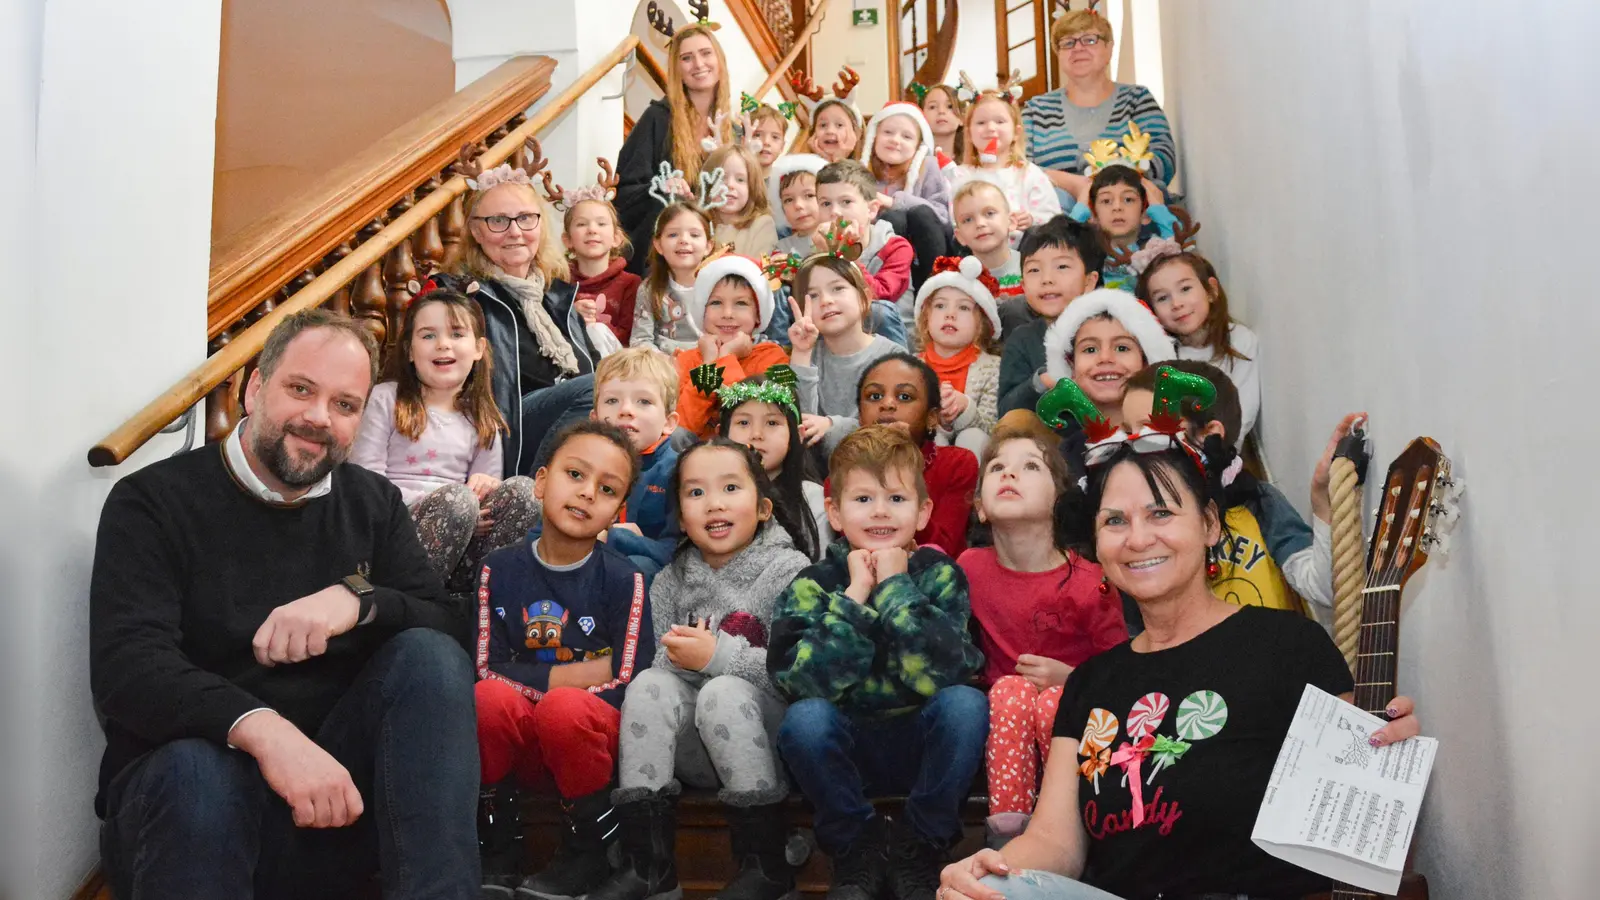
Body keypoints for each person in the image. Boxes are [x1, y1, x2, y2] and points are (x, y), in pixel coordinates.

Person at [938, 384, 1421, 900]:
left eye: (1162, 513)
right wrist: (988, 869)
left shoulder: (1290, 647)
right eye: (1115, 521)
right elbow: (1055, 843)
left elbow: (1359, 833)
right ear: (1096, 543)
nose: (1139, 538)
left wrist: (1387, 758)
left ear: (1210, 524)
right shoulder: (1090, 684)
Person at [91, 309, 479, 899]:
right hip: (186, 821)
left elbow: (450, 625)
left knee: (430, 657)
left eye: (345, 405)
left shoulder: (371, 503)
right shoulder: (152, 502)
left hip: (329, 813)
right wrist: (265, 732)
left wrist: (357, 600)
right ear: (253, 388)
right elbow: (127, 669)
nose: (319, 418)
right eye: (301, 389)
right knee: (199, 769)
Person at [769, 425, 987, 900]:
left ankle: (920, 844)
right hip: (846, 750)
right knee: (804, 720)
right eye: (863, 499)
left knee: (967, 705)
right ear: (835, 512)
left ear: (923, 511)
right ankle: (857, 846)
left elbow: (949, 672)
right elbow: (799, 684)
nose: (881, 511)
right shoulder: (812, 582)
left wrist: (895, 590)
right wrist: (855, 598)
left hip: (922, 747)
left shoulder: (939, 575)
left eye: (896, 498)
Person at [593, 439, 815, 900]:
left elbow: (799, 677)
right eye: (695, 493)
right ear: (679, 514)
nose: (714, 503)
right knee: (651, 683)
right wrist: (687, 663)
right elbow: (660, 669)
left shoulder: (791, 570)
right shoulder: (670, 581)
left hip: (769, 744)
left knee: (724, 693)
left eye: (731, 488)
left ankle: (766, 864)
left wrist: (717, 657)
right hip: (696, 753)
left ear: (763, 508)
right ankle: (649, 865)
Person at [474, 420, 654, 899]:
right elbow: (488, 668)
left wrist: (548, 688)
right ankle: (499, 837)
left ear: (618, 511)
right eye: (575, 474)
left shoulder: (624, 579)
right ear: (540, 481)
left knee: (565, 708)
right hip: (529, 745)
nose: (587, 493)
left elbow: (630, 680)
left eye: (607, 488)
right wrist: (573, 675)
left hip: (591, 746)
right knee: (487, 698)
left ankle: (591, 847)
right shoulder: (499, 569)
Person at [959, 429, 1126, 846]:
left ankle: (1073, 823)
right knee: (1010, 691)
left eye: (1030, 466)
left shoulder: (1091, 582)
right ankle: (1008, 832)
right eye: (997, 468)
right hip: (1004, 715)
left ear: (1059, 503)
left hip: (1081, 716)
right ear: (980, 507)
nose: (1009, 474)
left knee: (1053, 701)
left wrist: (1070, 677)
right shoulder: (968, 568)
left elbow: (1124, 673)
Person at [1121, 361, 1345, 620]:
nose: (1133, 445)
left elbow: (1324, 590)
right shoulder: (1134, 524)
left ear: (1209, 434)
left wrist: (1322, 503)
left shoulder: (1259, 501)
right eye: (1128, 432)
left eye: (1151, 429)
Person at [351, 289, 537, 593]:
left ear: (478, 348)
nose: (443, 344)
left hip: (460, 549)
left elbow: (487, 490)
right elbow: (365, 483)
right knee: (459, 502)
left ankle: (477, 600)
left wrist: (484, 488)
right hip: (393, 538)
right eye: (428, 336)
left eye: (456, 333)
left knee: (526, 492)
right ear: (409, 350)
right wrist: (453, 507)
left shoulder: (483, 418)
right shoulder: (386, 399)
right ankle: (413, 600)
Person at [441, 161, 597, 476]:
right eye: (498, 220)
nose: (515, 231)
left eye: (525, 218)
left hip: (574, 415)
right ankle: (548, 488)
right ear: (476, 231)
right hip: (510, 431)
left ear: (540, 225)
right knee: (598, 388)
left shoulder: (557, 296)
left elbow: (599, 366)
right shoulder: (465, 298)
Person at [1022, 9, 1177, 205]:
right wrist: (1074, 184)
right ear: (1058, 54)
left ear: (1109, 48)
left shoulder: (1137, 99)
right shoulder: (1036, 109)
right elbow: (1018, 167)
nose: (1078, 48)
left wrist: (1109, 187)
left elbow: (1164, 158)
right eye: (1068, 43)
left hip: (1133, 219)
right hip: (1056, 223)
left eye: (1089, 39)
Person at [616, 22, 734, 275]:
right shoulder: (657, 119)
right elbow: (626, 190)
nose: (698, 64)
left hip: (719, 244)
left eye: (705, 53)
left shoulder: (734, 131)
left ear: (720, 60)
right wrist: (661, 188)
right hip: (664, 250)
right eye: (687, 58)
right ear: (677, 69)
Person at [855, 352, 980, 558]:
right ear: (860, 417)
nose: (887, 404)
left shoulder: (957, 464)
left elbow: (942, 550)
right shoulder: (843, 476)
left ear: (932, 418)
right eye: (874, 396)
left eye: (904, 397)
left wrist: (901, 462)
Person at [1135, 244, 1261, 443]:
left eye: (1185, 289)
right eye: (1162, 298)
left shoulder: (1239, 340)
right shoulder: (1157, 353)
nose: (1177, 304)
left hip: (1220, 450)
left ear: (1211, 290)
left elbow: (1243, 414)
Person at [786, 251, 903, 452]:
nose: (825, 301)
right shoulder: (805, 356)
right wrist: (802, 353)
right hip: (818, 474)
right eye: (813, 295)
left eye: (838, 288)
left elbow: (895, 424)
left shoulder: (893, 357)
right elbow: (799, 424)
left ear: (864, 298)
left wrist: (834, 426)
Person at [996, 217, 1106, 417]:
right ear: (1023, 285)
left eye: (1062, 267)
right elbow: (1006, 411)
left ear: (1089, 281)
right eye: (1034, 270)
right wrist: (1041, 382)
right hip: (1045, 440)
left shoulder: (1111, 330)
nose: (1047, 279)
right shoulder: (1022, 340)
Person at [591, 347, 684, 582]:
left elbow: (683, 553)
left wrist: (619, 538)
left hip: (648, 579)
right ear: (594, 418)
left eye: (643, 401)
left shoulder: (677, 472)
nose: (625, 411)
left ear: (669, 422)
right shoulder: (581, 466)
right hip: (584, 567)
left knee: (635, 567)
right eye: (612, 400)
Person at [674, 253, 790, 438]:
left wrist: (726, 356)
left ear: (758, 314)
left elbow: (745, 413)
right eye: (716, 303)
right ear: (702, 311)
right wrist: (709, 364)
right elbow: (682, 428)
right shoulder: (686, 360)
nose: (727, 313)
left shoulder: (775, 357)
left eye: (741, 303)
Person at [718, 370, 829, 558]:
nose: (756, 434)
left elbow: (822, 568)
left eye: (771, 423)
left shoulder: (812, 497)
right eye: (743, 422)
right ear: (722, 434)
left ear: (799, 435)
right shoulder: (713, 496)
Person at [913, 256, 1004, 455]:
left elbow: (993, 429)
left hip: (974, 450)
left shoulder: (992, 367)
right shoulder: (912, 366)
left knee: (972, 436)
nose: (950, 314)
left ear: (981, 324)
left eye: (963, 307)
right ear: (925, 317)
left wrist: (966, 408)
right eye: (940, 306)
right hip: (925, 455)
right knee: (931, 438)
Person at [948, 81, 1061, 241]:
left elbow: (1054, 221)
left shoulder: (1029, 174)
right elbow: (953, 220)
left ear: (1016, 132)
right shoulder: (960, 175)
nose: (990, 128)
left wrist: (1032, 220)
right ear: (969, 134)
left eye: (999, 121)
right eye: (981, 123)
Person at [817, 159, 915, 343]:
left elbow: (879, 295)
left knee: (877, 311)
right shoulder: (819, 245)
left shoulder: (896, 247)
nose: (835, 212)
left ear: (871, 210)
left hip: (891, 340)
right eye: (825, 204)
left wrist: (842, 255)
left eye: (846, 202)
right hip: (842, 337)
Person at [864, 101, 955, 286]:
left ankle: (935, 288)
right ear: (874, 136)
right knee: (892, 218)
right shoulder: (861, 171)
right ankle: (887, 285)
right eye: (888, 132)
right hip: (882, 259)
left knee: (919, 213)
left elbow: (943, 218)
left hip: (927, 254)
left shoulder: (928, 166)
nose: (895, 140)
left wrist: (895, 201)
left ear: (918, 145)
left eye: (906, 136)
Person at [1067, 164, 1178, 293]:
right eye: (1106, 201)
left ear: (1145, 213)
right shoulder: (1085, 253)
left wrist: (1159, 209)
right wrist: (1081, 210)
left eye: (1128, 199)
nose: (1117, 207)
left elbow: (1179, 251)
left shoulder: (1153, 251)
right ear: (1093, 214)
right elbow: (1060, 246)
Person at [565, 162, 643, 346]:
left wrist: (594, 324)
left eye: (601, 224)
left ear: (616, 238)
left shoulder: (631, 283)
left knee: (596, 330)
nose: (592, 230)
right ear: (567, 240)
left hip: (616, 364)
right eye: (582, 224)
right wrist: (573, 316)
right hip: (574, 362)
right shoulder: (559, 281)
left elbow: (629, 336)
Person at [631, 200, 715, 353]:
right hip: (664, 369)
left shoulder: (719, 287)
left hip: (708, 364)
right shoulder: (649, 289)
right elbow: (640, 340)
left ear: (708, 246)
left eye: (694, 235)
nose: (683, 240)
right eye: (673, 234)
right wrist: (666, 363)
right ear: (658, 245)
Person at [952, 181, 1023, 305]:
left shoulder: (1032, 268)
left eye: (989, 213)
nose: (980, 223)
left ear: (1010, 222)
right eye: (968, 219)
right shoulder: (957, 282)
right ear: (960, 236)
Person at [704, 143, 779, 258]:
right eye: (721, 178)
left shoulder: (762, 225)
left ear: (752, 187)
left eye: (740, 180)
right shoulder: (698, 221)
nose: (730, 185)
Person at [790, 95, 864, 163]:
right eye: (823, 125)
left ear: (856, 133)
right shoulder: (799, 168)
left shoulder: (864, 174)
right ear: (812, 133)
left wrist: (839, 161)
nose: (830, 131)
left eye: (839, 125)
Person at [917, 83, 966, 169]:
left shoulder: (971, 163)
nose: (941, 111)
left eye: (950, 106)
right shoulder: (914, 162)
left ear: (962, 118)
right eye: (932, 107)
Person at [745, 100, 792, 175]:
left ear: (782, 146)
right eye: (757, 135)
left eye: (775, 137)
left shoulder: (781, 184)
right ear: (743, 140)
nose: (766, 142)